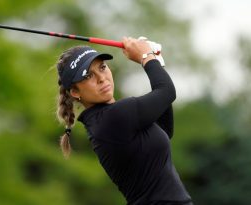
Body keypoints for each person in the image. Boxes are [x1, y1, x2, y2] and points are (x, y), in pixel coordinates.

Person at [55, 37, 193, 204]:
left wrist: (156, 61)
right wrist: (146, 57)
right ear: (75, 92)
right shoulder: (112, 117)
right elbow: (167, 91)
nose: (101, 78)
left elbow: (164, 129)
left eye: (102, 67)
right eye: (88, 76)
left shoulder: (108, 119)